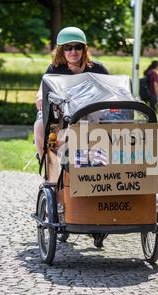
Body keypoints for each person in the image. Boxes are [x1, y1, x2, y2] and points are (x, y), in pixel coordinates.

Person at [34, 26, 109, 248]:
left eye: (77, 47)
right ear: (62, 51)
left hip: (92, 121)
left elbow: (113, 92)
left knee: (99, 134)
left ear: (84, 49)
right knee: (40, 125)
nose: (73, 51)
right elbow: (42, 90)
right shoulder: (55, 69)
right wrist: (40, 98)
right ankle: (48, 165)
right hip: (64, 121)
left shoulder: (98, 69)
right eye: (68, 48)